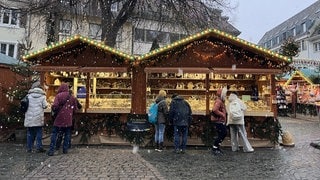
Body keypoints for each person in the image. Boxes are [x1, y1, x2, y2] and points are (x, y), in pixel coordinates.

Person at [47, 83, 79, 156]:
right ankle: (65, 149)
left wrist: (54, 110)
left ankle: (52, 149)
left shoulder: (58, 96)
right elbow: (75, 109)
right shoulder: (72, 97)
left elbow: (55, 106)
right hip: (68, 119)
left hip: (59, 118)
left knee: (55, 133)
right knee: (67, 134)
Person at [24, 81, 48, 153]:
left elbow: (25, 105)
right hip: (38, 117)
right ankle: (39, 147)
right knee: (38, 133)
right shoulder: (43, 96)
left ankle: (29, 148)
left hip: (29, 117)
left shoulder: (28, 96)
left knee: (30, 133)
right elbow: (45, 106)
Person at [211, 87, 227, 155]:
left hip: (219, 120)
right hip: (218, 120)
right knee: (223, 133)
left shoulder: (220, 100)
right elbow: (215, 110)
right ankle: (215, 147)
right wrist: (222, 114)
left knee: (222, 134)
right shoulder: (219, 101)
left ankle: (216, 147)